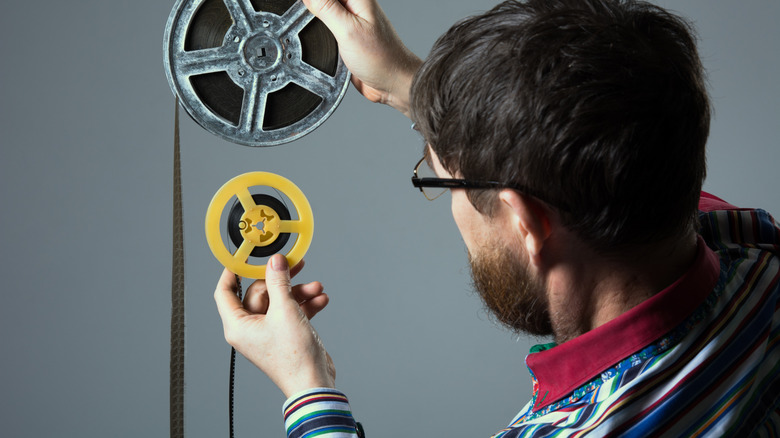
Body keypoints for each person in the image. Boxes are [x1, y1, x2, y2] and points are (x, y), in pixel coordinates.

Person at [214, 0, 780, 436]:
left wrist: (305, 386)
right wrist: (413, 84)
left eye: (447, 186)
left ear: (528, 222)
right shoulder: (754, 250)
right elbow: (609, 151)